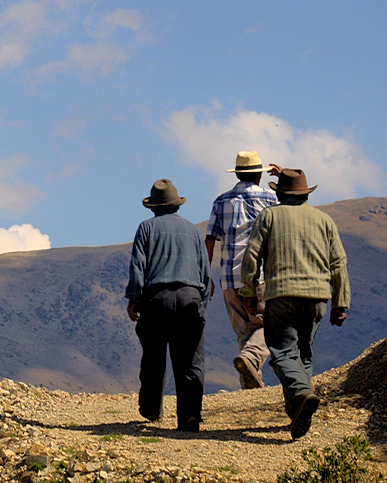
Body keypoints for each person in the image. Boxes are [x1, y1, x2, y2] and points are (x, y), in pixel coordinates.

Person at [239, 168, 350, 440]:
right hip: (317, 297)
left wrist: (249, 291)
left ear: (278, 193)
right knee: (304, 353)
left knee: (281, 351)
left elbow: (252, 255)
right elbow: (338, 263)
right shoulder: (324, 220)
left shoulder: (270, 216)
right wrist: (340, 302)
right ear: (305, 193)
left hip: (281, 295)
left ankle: (301, 395)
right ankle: (298, 408)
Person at [125, 178, 209, 432]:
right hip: (189, 297)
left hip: (156, 299)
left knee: (153, 356)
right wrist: (200, 302)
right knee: (191, 360)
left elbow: (138, 266)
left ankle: (151, 408)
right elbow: (204, 272)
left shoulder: (146, 229)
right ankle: (190, 415)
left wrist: (134, 298)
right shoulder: (194, 231)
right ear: (177, 204)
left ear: (153, 207)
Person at [205, 152, 280, 390]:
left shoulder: (221, 201)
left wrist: (206, 276)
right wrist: (284, 178)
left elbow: (209, 240)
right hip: (260, 276)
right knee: (271, 326)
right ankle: (250, 362)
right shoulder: (271, 198)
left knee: (244, 332)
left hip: (229, 277)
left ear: (237, 173)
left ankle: (250, 387)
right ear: (260, 174)